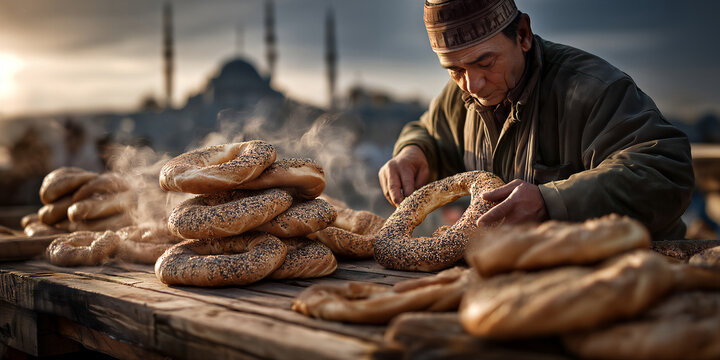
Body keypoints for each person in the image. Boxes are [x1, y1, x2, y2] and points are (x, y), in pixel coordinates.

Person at [378, 0, 694, 240]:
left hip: (636, 275)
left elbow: (665, 171)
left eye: (486, 63)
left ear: (523, 35)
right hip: (525, 281)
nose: (473, 86)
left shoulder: (592, 88)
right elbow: (430, 133)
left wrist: (551, 201)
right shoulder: (460, 94)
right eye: (455, 70)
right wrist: (414, 151)